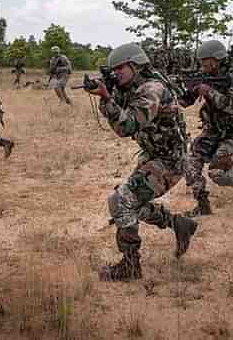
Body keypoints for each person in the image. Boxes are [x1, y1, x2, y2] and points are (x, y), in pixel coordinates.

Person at [83, 43, 198, 281]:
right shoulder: (132, 87)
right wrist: (108, 94)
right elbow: (121, 119)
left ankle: (130, 266)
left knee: (122, 201)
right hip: (155, 156)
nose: (116, 74)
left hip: (169, 161)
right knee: (125, 202)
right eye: (113, 71)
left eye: (120, 69)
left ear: (136, 65)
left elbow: (126, 126)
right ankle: (177, 223)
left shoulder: (151, 90)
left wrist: (106, 98)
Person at [179, 40, 233, 217]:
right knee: (189, 164)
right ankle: (203, 206)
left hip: (231, 133)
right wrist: (180, 89)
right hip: (211, 131)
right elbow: (185, 102)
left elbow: (230, 106)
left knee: (217, 174)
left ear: (216, 60)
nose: (202, 65)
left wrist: (208, 91)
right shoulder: (203, 77)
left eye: (204, 61)